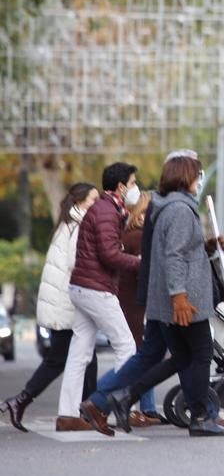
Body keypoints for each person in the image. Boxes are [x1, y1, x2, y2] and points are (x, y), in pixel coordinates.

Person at [96, 154, 224, 437]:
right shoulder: (181, 210)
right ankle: (201, 417)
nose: (199, 180)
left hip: (172, 298)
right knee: (201, 354)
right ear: (185, 177)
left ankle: (124, 398)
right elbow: (173, 256)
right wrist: (179, 296)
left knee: (181, 357)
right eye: (196, 175)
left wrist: (205, 246)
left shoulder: (165, 207)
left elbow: (179, 249)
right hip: (185, 300)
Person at [2, 184, 100, 432]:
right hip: (67, 304)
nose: (97, 204)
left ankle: (23, 401)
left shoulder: (67, 223)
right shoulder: (78, 226)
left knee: (67, 359)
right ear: (80, 202)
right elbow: (75, 264)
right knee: (76, 358)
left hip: (62, 303)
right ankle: (88, 410)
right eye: (93, 199)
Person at [58, 163, 142, 430]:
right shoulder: (107, 211)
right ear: (120, 187)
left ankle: (67, 415)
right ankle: (110, 406)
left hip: (82, 287)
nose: (134, 188)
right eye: (132, 183)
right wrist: (139, 262)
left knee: (79, 352)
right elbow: (109, 254)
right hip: (96, 289)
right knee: (127, 346)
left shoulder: (108, 209)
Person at [113, 191, 161, 427]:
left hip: (127, 300)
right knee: (144, 356)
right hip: (138, 305)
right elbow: (145, 272)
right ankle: (144, 407)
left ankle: (148, 407)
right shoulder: (141, 236)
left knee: (142, 354)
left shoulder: (128, 234)